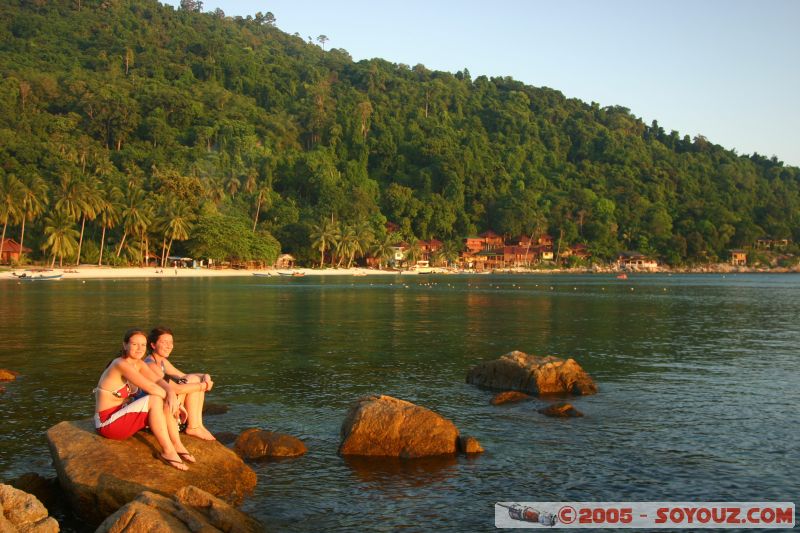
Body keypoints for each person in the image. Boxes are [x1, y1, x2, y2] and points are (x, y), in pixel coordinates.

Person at [93, 328, 196, 471]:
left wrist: (172, 394)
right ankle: (168, 451)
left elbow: (159, 381)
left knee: (164, 399)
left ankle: (177, 444)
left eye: (143, 345)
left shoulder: (140, 364)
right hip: (107, 423)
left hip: (122, 414)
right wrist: (176, 403)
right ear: (125, 345)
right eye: (135, 344)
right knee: (155, 398)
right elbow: (151, 388)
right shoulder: (119, 364)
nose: (139, 348)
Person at [145, 326, 216, 441]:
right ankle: (193, 426)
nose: (169, 346)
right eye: (164, 342)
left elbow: (183, 376)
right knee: (193, 382)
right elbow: (176, 389)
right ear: (153, 345)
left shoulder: (162, 361)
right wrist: (204, 386)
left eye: (171, 342)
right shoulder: (150, 365)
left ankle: (198, 425)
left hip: (169, 405)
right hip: (158, 414)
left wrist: (204, 376)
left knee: (193, 380)